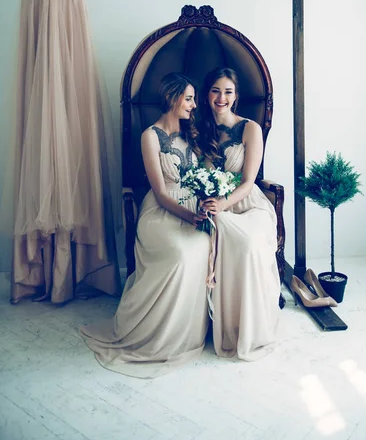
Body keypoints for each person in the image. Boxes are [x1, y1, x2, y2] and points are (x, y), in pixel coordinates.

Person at [80, 73, 210, 378]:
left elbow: (203, 173)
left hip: (193, 206)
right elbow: (161, 193)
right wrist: (188, 216)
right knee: (179, 253)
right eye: (189, 98)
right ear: (173, 97)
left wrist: (205, 203)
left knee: (202, 245)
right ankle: (153, 332)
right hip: (161, 211)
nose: (194, 105)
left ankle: (187, 332)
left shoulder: (192, 132)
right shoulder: (150, 136)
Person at [199, 67, 281, 361]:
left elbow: (248, 181)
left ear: (236, 96)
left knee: (248, 243)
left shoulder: (250, 128)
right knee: (217, 233)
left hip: (246, 203)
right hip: (211, 203)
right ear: (206, 93)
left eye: (228, 91)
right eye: (215, 90)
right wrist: (210, 202)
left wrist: (225, 203)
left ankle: (249, 325)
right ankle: (218, 322)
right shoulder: (196, 127)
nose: (221, 98)